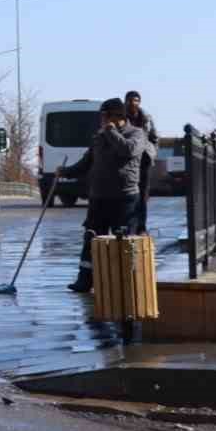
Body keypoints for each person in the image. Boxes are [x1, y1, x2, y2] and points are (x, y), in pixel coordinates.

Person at [59, 97, 148, 293]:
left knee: (122, 240)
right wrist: (65, 172)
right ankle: (85, 280)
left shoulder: (136, 134)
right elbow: (86, 162)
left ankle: (123, 282)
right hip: (99, 197)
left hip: (124, 197)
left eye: (104, 116)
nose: (101, 120)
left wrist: (111, 131)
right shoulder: (99, 136)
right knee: (91, 237)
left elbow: (128, 151)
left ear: (117, 116)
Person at [124, 90, 159, 234]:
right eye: (131, 100)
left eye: (136, 100)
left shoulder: (146, 118)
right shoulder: (121, 117)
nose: (133, 103)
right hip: (128, 160)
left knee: (143, 195)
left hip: (143, 160)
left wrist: (152, 152)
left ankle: (141, 227)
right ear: (125, 101)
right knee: (129, 194)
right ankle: (129, 225)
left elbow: (154, 137)